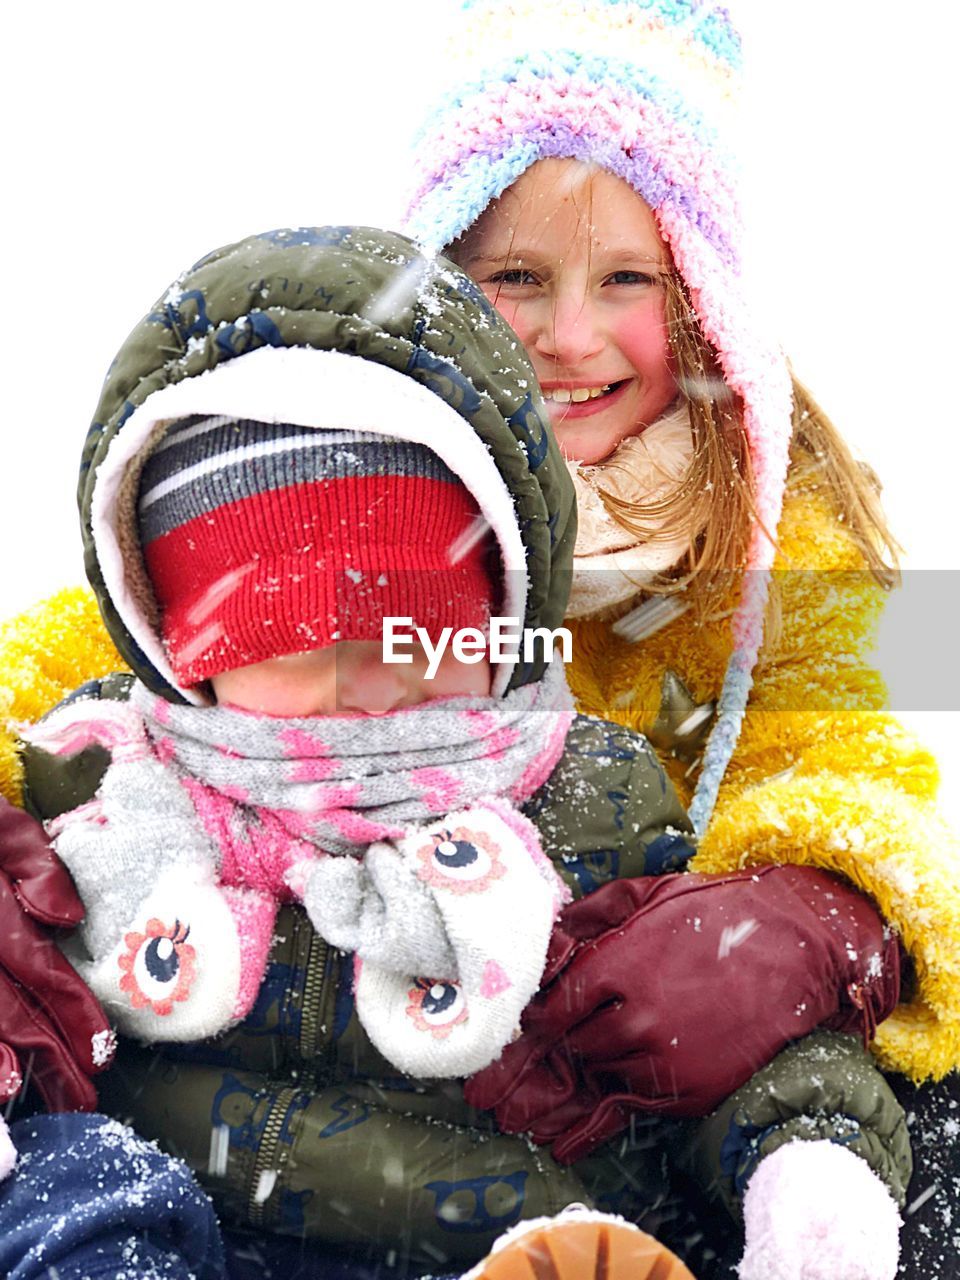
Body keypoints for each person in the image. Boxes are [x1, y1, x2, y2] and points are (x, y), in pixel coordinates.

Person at [0, 224, 910, 1280]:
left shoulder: (588, 800)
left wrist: (808, 1126)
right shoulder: (113, 791)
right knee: (79, 1173)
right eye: (292, 639)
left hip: (522, 1218)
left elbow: (846, 759)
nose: (373, 684)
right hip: (203, 1220)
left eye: (420, 627)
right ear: (184, 652)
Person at [399, 1, 960, 1277]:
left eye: (627, 279)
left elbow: (867, 765)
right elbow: (123, 628)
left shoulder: (784, 513)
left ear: (698, 291)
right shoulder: (361, 480)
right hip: (411, 1029)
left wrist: (808, 918)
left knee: (923, 1137)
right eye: (516, 275)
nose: (572, 334)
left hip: (667, 1067)